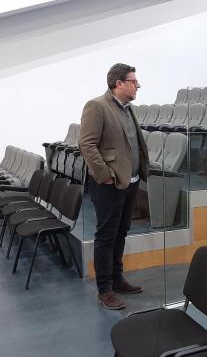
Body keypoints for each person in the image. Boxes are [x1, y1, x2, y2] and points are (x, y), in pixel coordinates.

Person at [79, 63, 149, 310]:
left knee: (121, 232)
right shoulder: (97, 106)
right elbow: (86, 144)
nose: (137, 85)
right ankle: (105, 289)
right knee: (106, 236)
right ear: (119, 83)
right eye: (133, 81)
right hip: (109, 185)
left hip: (130, 182)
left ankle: (117, 279)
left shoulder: (128, 108)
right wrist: (105, 175)